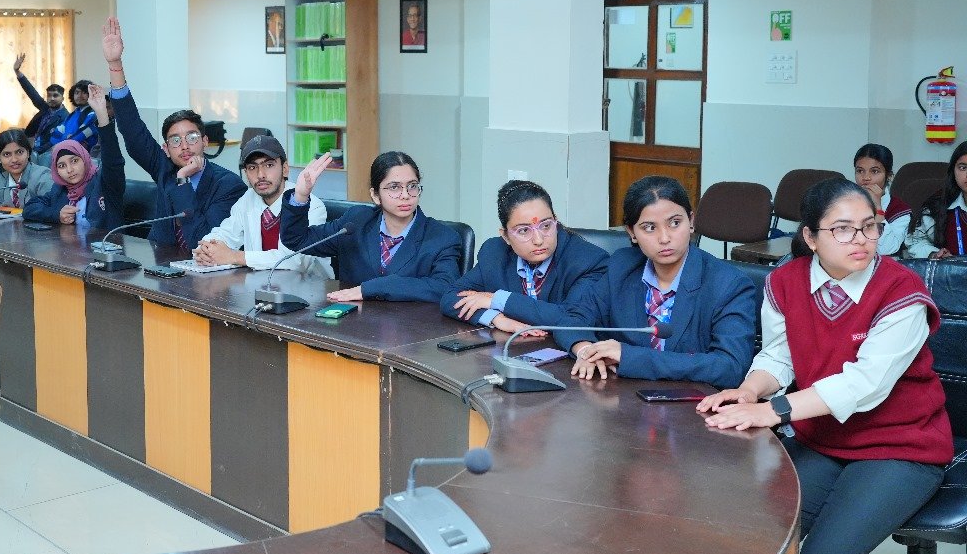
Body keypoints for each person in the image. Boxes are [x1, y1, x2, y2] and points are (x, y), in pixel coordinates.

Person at [699, 178, 952, 554]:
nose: (862, 239)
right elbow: (779, 357)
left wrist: (774, 410)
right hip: (824, 440)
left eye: (869, 226)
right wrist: (750, 391)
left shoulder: (901, 290)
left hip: (902, 446)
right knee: (752, 538)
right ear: (811, 238)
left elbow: (865, 383)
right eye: (843, 229)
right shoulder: (784, 281)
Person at [556, 175, 757, 389]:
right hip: (624, 399)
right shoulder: (621, 267)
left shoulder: (729, 284)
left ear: (691, 221)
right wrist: (586, 351)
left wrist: (630, 357)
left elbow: (730, 367)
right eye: (649, 228)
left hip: (694, 403)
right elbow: (572, 318)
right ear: (632, 232)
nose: (664, 238)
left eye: (675, 223)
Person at [102, 17, 245, 249]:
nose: (185, 146)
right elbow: (132, 130)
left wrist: (183, 181)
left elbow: (200, 241)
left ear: (205, 141)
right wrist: (115, 64)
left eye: (192, 138)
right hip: (158, 263)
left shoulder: (229, 185)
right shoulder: (164, 168)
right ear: (166, 149)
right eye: (175, 141)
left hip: (204, 267)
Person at [281, 150, 462, 303]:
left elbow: (445, 287)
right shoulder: (357, 222)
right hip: (353, 325)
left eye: (412, 186)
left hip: (411, 330)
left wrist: (374, 288)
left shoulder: (442, 237)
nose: (406, 195)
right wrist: (301, 195)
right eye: (394, 187)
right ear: (375, 195)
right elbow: (297, 240)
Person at [440, 180, 608, 334]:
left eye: (546, 226)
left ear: (555, 222)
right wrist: (496, 318)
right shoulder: (494, 253)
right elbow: (451, 297)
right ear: (505, 236)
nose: (538, 240)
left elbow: (573, 319)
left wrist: (498, 300)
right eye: (524, 230)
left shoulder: (588, 261)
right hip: (514, 348)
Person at [193, 134, 331, 276]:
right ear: (246, 173)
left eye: (269, 165)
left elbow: (296, 261)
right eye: (252, 167)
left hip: (307, 286)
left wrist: (233, 256)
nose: (260, 175)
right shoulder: (248, 198)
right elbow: (225, 232)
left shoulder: (310, 205)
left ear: (285, 169)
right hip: (258, 283)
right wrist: (206, 249)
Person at [24, 82, 126, 229]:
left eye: (74, 161)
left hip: (106, 244)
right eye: (61, 166)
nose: (69, 170)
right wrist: (56, 214)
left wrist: (102, 115)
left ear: (85, 160)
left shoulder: (105, 182)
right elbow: (29, 209)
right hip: (71, 244)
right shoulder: (60, 190)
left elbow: (113, 160)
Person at [906, 140, 967, 258]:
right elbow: (915, 242)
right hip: (950, 269)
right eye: (963, 168)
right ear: (953, 171)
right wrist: (933, 253)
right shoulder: (939, 204)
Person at [851, 143, 911, 257]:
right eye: (860, 171)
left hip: (884, 265)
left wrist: (878, 208)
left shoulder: (899, 209)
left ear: (889, 176)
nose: (866, 178)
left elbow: (887, 250)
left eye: (874, 171)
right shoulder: (844, 203)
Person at [12, 52, 68, 155]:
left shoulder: (65, 117)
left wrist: (34, 151)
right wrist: (17, 71)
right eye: (49, 95)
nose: (52, 98)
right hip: (30, 144)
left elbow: (55, 141)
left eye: (55, 95)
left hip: (45, 152)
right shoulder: (45, 107)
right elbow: (31, 91)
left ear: (62, 98)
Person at [0, 128, 51, 210]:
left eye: (19, 152)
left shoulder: (43, 176)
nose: (14, 160)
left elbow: (48, 211)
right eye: (7, 154)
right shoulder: (0, 180)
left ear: (28, 153)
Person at [46, 80, 98, 155]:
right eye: (77, 93)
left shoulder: (93, 114)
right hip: (64, 151)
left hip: (82, 155)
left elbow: (80, 136)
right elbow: (57, 134)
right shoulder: (72, 114)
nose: (79, 96)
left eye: (84, 92)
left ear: (92, 94)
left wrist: (60, 145)